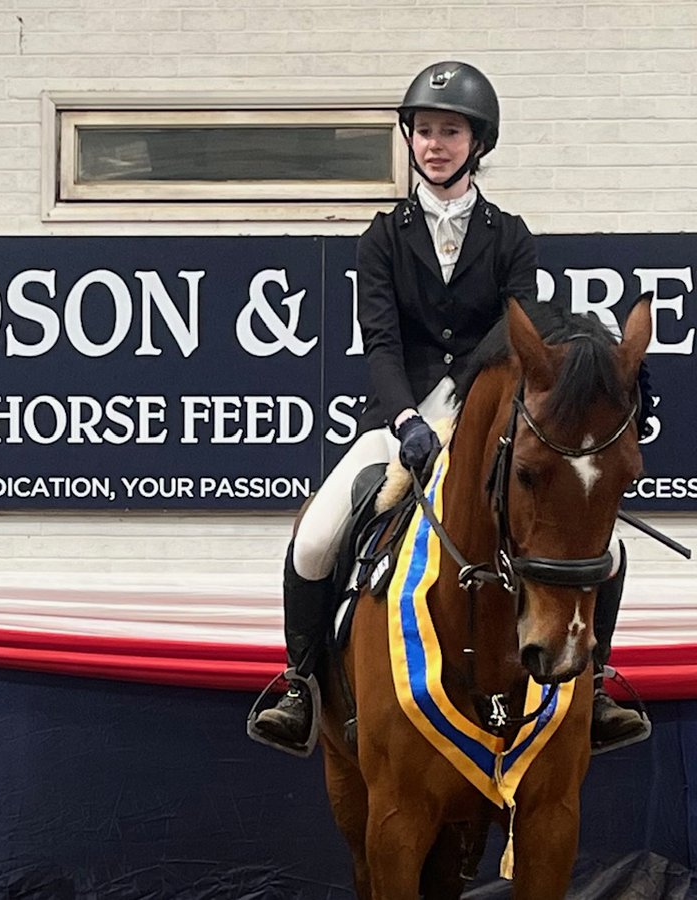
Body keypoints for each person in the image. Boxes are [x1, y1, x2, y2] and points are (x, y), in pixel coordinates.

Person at [247, 60, 650, 757]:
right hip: (399, 423)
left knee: (606, 548)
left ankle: (603, 677)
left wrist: (470, 414)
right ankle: (300, 683)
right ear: (411, 140)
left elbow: (515, 339)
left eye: (451, 132)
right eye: (426, 131)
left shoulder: (510, 235)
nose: (436, 144)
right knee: (315, 536)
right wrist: (406, 421)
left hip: (485, 423)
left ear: (477, 143)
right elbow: (379, 341)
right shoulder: (382, 237)